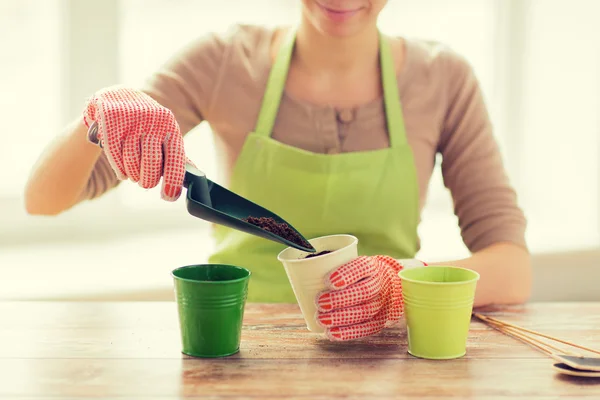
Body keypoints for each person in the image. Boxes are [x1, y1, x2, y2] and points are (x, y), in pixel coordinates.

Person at [24, 0, 531, 341]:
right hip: (245, 349)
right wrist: (98, 113)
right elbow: (43, 199)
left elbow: (512, 270)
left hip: (388, 349)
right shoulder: (223, 62)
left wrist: (401, 284)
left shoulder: (444, 79)